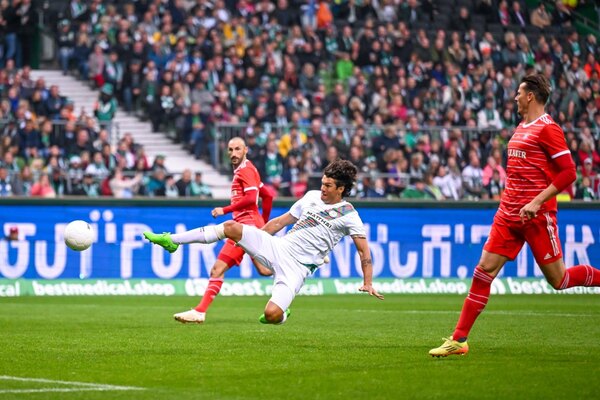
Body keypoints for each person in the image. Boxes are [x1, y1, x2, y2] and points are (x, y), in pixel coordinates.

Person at [429, 74, 600, 357]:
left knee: (559, 280)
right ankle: (459, 340)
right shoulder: (521, 127)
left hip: (536, 216)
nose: (515, 98)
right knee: (483, 272)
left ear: (530, 95)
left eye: (519, 93)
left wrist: (536, 201)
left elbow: (569, 171)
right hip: (508, 215)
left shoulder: (548, 129)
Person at [144, 159, 384, 324]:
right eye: (322, 183)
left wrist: (368, 282)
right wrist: (255, 239)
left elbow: (364, 253)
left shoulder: (349, 215)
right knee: (231, 228)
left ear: (341, 189)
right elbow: (280, 222)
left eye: (328, 186)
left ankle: (283, 313)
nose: (322, 189)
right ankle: (171, 240)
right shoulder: (311, 196)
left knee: (271, 315)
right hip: (279, 247)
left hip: (296, 269)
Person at [147, 137, 274, 324]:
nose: (233, 153)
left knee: (218, 266)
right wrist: (264, 223)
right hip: (246, 225)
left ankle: (172, 241)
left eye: (237, 149)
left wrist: (226, 209)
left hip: (244, 227)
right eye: (230, 150)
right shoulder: (248, 169)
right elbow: (268, 195)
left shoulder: (246, 170)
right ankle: (304, 263)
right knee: (263, 270)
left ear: (246, 150)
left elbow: (251, 197)